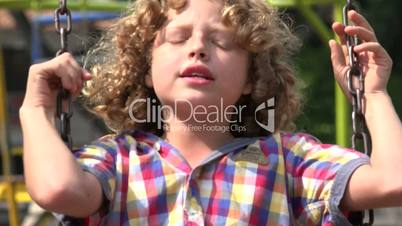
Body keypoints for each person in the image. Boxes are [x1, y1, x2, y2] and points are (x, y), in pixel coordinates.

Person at [20, 0, 402, 225]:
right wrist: (36, 109)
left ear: (252, 78)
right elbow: (59, 190)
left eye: (221, 41)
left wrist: (373, 96)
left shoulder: (289, 161)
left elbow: (393, 180)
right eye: (178, 37)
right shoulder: (119, 161)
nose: (198, 48)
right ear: (146, 69)